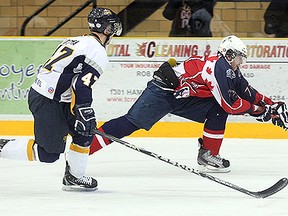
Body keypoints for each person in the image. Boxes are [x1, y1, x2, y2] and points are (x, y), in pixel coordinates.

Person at [89, 35, 288, 173]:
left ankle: (208, 154)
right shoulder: (216, 68)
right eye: (238, 58)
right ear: (229, 55)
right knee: (130, 123)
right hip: (162, 93)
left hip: (184, 97)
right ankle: (85, 149)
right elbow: (231, 104)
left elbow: (246, 91)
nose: (240, 62)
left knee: (216, 110)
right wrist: (261, 112)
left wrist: (271, 105)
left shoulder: (229, 69)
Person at [0, 7, 122, 191]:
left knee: (84, 133)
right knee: (48, 154)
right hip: (47, 100)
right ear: (107, 29)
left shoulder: (77, 40)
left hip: (55, 98)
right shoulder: (98, 51)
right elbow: (82, 85)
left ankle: (74, 177)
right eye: (112, 27)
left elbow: (71, 79)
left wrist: (82, 112)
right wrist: (84, 110)